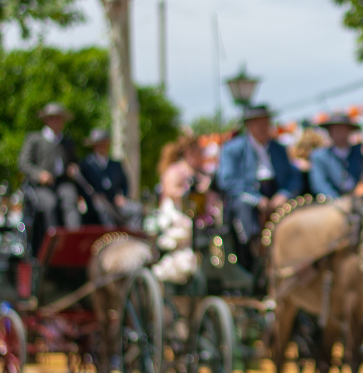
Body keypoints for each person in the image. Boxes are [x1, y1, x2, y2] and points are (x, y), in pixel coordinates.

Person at [218, 105, 302, 276]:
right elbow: (227, 180)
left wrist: (284, 194)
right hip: (248, 197)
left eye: (266, 123)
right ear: (249, 126)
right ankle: (254, 256)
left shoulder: (279, 149)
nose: (263, 127)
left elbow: (293, 176)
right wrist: (256, 199)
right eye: (258, 123)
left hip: (276, 193)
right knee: (244, 208)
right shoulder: (233, 149)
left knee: (300, 206)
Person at [150, 136, 209, 283]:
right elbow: (170, 191)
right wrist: (193, 193)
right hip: (176, 212)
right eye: (199, 152)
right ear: (189, 152)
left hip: (196, 213)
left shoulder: (201, 172)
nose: (203, 155)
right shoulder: (175, 170)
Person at [18, 102, 80, 230]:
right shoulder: (35, 139)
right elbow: (24, 163)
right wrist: (39, 174)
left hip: (62, 183)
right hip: (40, 186)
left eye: (59, 118)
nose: (56, 121)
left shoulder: (67, 141)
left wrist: (73, 168)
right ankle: (53, 240)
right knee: (50, 204)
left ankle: (73, 237)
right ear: (46, 120)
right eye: (53, 118)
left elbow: (74, 161)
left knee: (70, 200)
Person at [78, 128, 142, 227]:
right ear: (94, 146)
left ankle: (133, 237)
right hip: (96, 203)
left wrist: (122, 196)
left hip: (115, 202)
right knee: (102, 208)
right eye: (99, 143)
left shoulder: (116, 164)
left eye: (104, 143)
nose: (102, 146)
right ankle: (112, 236)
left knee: (137, 208)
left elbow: (124, 184)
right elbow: (82, 187)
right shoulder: (86, 165)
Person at [308, 113, 363, 198]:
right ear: (330, 133)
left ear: (350, 132)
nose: (341, 135)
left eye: (343, 130)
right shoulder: (320, 157)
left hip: (362, 197)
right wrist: (337, 200)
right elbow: (320, 183)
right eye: (337, 131)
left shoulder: (360, 150)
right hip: (336, 202)